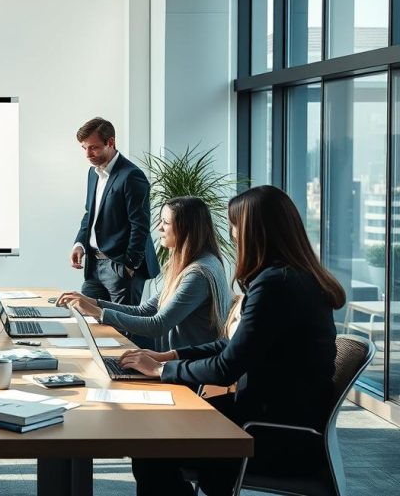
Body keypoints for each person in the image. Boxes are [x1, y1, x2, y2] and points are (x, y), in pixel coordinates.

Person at [120, 185, 343, 496]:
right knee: (155, 437)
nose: (233, 235)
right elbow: (232, 345)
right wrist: (169, 356)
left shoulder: (275, 286)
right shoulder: (291, 277)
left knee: (152, 447)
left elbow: (227, 367)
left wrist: (161, 372)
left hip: (271, 431)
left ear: (256, 231)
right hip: (276, 413)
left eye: (235, 226)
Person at [58, 196, 232, 352]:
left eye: (165, 222)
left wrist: (98, 313)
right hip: (172, 358)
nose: (159, 228)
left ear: (186, 228)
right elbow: (146, 310)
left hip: (184, 369)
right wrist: (94, 302)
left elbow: (158, 325)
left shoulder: (198, 274)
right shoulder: (195, 262)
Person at [71, 117, 161, 307]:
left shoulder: (131, 176)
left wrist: (130, 265)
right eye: (84, 148)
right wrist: (79, 243)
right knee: (86, 317)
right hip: (94, 265)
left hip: (120, 267)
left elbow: (140, 224)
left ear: (110, 142)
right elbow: (90, 213)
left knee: (122, 331)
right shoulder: (93, 173)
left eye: (93, 147)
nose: (88, 154)